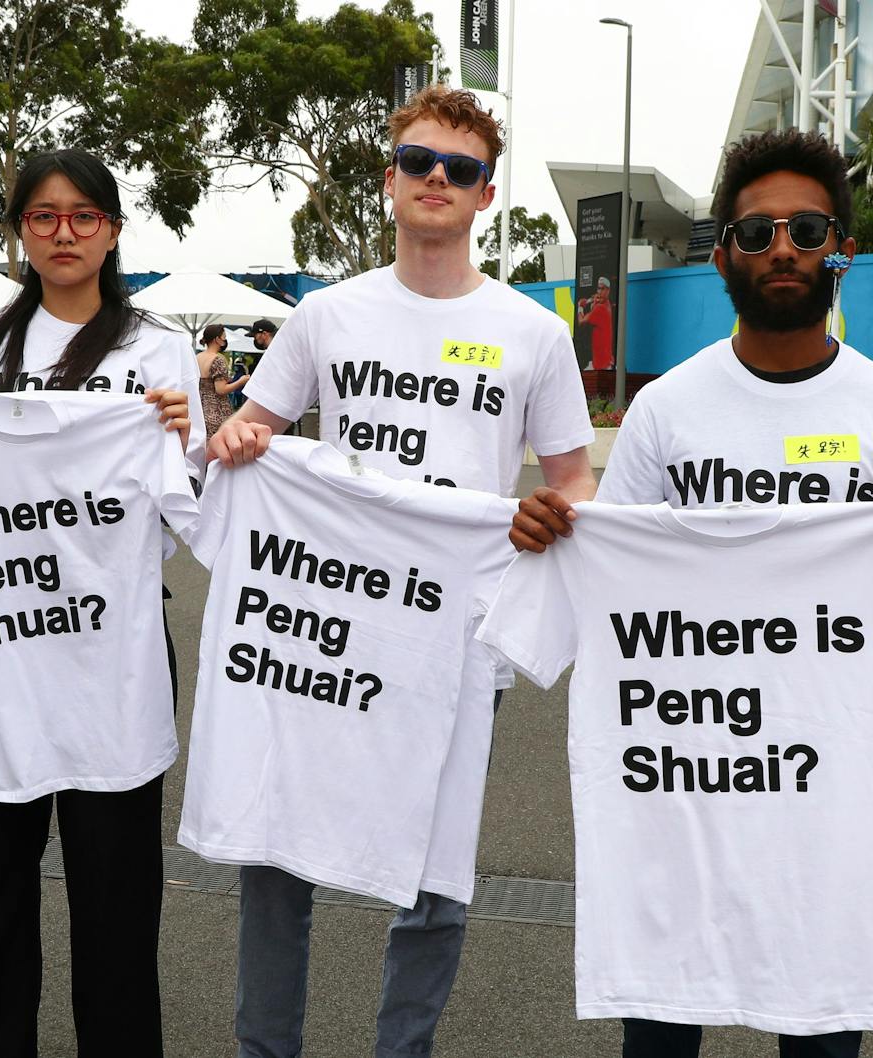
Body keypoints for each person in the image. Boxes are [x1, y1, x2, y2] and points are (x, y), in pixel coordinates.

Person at [513, 129, 873, 1058]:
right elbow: (625, 591)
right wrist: (554, 540)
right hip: (681, 790)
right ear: (723, 252)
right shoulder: (666, 411)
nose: (784, 248)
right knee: (662, 1027)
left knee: (819, 1035)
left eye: (808, 230)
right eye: (759, 230)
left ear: (841, 250)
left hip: (829, 800)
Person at [208, 84, 596, 1058]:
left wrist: (558, 521)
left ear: (484, 195)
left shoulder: (532, 334)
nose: (436, 179)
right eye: (419, 162)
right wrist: (236, 437)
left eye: (457, 169)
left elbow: (571, 478)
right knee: (274, 849)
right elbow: (257, 424)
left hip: (457, 628)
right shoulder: (325, 317)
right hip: (322, 617)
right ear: (388, 180)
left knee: (433, 873)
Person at [0, 147, 199, 1058]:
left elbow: (187, 512)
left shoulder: (158, 347)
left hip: (115, 647)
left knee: (116, 889)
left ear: (113, 230)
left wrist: (181, 439)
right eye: (43, 216)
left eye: (83, 216)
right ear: (19, 229)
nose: (64, 233)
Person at [196, 322, 247, 438]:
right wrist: (240, 382)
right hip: (218, 412)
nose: (225, 341)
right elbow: (221, 390)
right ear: (216, 339)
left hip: (199, 409)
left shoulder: (197, 357)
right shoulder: (218, 359)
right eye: (224, 338)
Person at [576, 277, 615, 371]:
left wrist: (580, 307)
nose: (599, 292)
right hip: (601, 363)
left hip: (601, 366)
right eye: (598, 288)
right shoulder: (606, 303)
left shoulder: (600, 309)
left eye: (603, 289)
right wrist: (592, 303)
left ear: (608, 290)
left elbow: (581, 321)